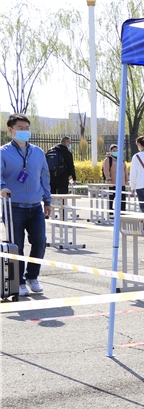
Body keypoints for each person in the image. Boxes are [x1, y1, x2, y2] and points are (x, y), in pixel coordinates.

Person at [0, 113, 52, 296]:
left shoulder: (38, 152)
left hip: (35, 207)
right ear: (10, 130)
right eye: (20, 128)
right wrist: (2, 187)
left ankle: (32, 276)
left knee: (40, 242)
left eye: (27, 128)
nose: (24, 131)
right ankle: (19, 281)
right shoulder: (3, 152)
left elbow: (45, 177)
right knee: (17, 246)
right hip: (13, 207)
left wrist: (47, 200)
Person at [102, 144, 128, 215]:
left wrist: (126, 179)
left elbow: (125, 170)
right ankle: (110, 212)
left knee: (122, 198)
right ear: (111, 151)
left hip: (121, 182)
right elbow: (106, 170)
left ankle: (122, 211)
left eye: (117, 150)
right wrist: (108, 178)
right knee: (111, 197)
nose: (115, 152)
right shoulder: (108, 160)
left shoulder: (121, 159)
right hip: (112, 182)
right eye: (114, 150)